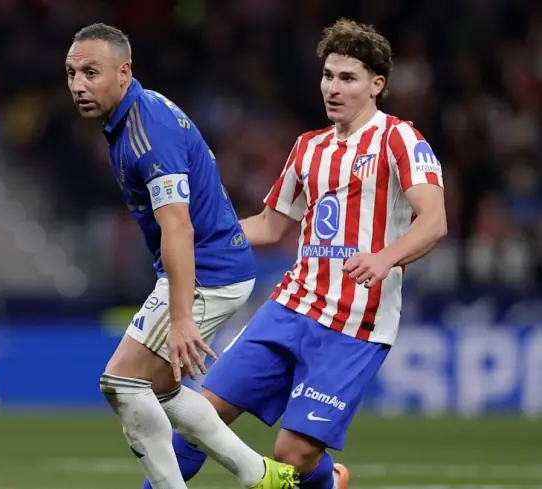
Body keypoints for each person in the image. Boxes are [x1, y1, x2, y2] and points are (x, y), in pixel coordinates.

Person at [142, 18, 448, 489]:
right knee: (197, 421)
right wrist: (194, 244)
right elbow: (269, 225)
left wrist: (386, 257)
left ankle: (327, 480)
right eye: (328, 75)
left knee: (293, 455)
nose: (333, 87)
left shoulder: (399, 138)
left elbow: (434, 219)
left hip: (354, 324)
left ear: (376, 85)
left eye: (348, 78)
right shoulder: (308, 147)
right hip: (290, 306)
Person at [66, 23, 300, 489]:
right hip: (217, 265)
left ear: (123, 72)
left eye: (91, 72)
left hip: (209, 273)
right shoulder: (135, 113)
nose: (78, 85)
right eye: (72, 73)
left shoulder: (146, 134)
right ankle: (264, 477)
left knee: (120, 384)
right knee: (162, 390)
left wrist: (179, 318)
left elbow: (178, 224)